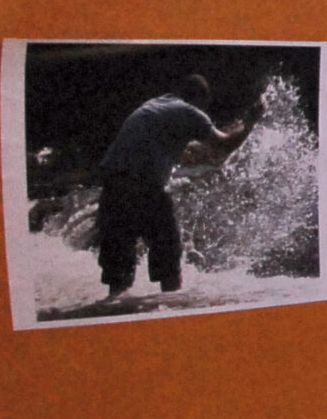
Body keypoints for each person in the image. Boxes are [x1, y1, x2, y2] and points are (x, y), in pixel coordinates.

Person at [95, 75, 249, 299]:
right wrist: (251, 122)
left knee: (118, 253)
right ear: (200, 99)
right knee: (167, 249)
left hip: (112, 181)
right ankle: (172, 305)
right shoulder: (189, 111)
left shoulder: (156, 104)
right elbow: (223, 145)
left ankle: (113, 307)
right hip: (143, 184)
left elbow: (187, 148)